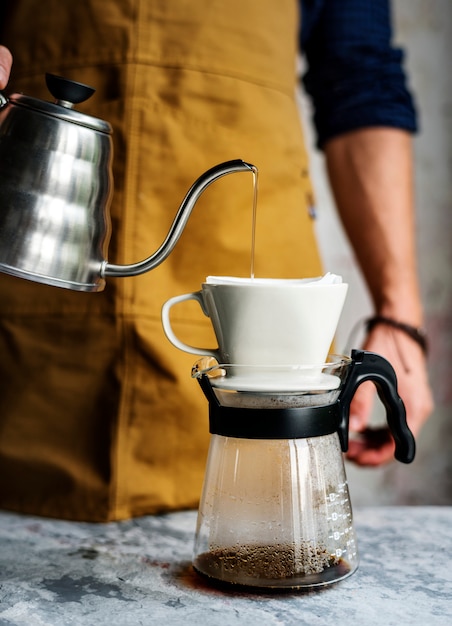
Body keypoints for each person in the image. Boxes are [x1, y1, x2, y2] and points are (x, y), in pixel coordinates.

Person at [0, 1, 433, 522]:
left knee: (260, 523)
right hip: (33, 281)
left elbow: (362, 78)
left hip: (260, 306)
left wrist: (398, 318)